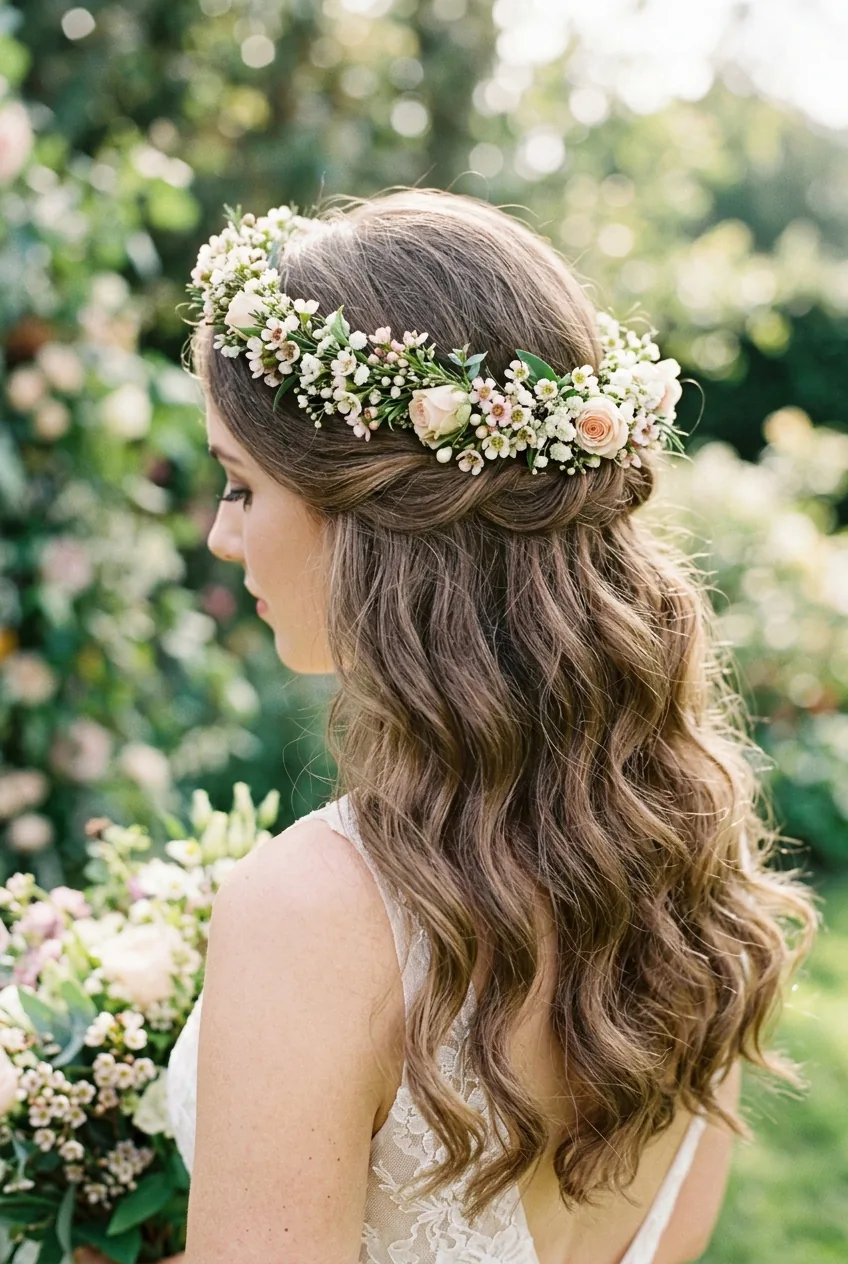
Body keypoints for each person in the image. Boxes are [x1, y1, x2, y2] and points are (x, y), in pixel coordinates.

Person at [158, 189, 817, 1264]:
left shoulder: (312, 913)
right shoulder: (690, 864)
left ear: (371, 515)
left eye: (240, 484)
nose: (223, 535)